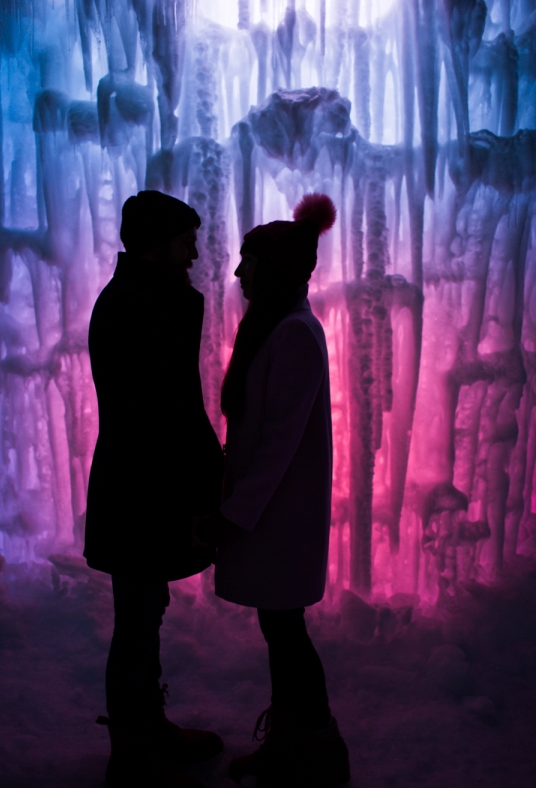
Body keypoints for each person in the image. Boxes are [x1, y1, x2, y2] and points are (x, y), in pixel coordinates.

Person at [196, 194, 350, 787]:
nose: (238, 274)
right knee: (281, 632)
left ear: (277, 267)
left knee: (287, 634)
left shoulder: (292, 335)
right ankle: (299, 744)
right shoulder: (280, 328)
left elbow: (278, 446)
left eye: (248, 261)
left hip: (278, 521)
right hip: (276, 520)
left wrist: (234, 514)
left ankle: (315, 749)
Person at [84, 190, 225, 788]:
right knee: (138, 618)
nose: (195, 251)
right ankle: (132, 752)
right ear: (157, 243)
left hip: (140, 483)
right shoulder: (138, 307)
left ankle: (145, 729)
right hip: (142, 486)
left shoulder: (142, 300)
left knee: (144, 612)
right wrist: (206, 480)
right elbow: (165, 410)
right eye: (185, 239)